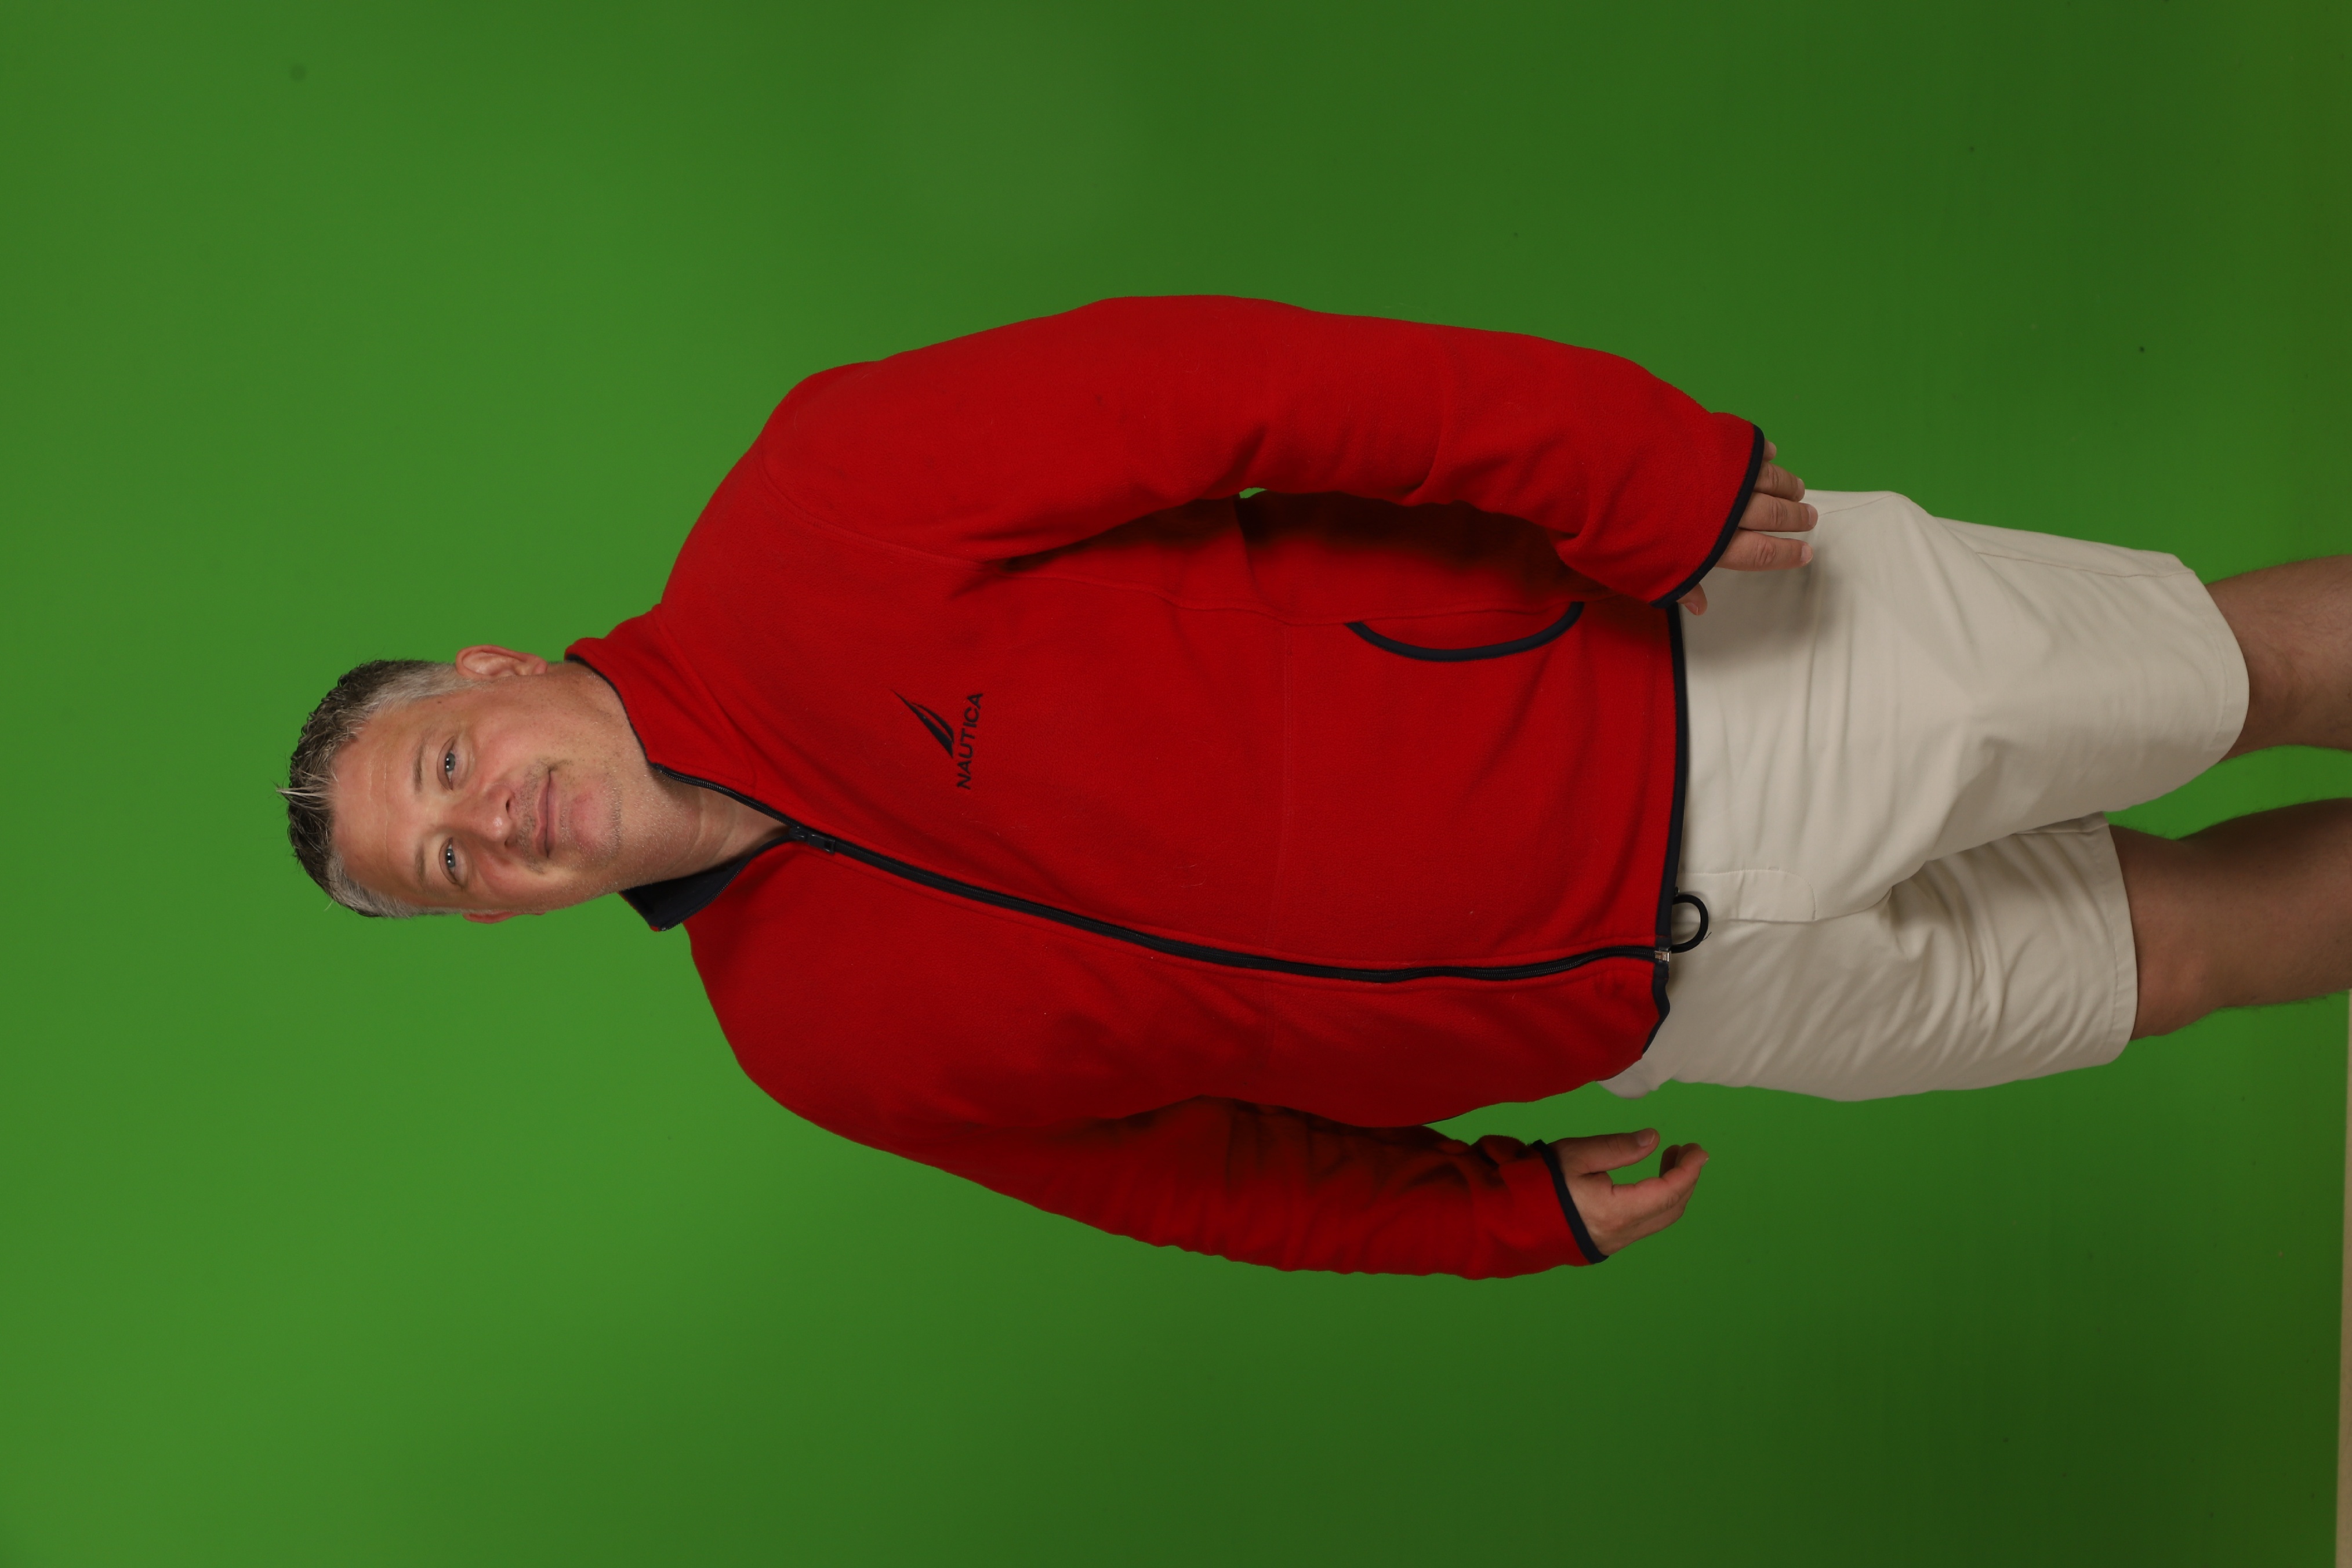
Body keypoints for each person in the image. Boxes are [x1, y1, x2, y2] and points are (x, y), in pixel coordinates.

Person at [282, 296, 2352, 1278]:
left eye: (451, 769)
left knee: (2223, 675)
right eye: (449, 866)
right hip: (1676, 999)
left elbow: (1260, 385)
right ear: (493, 914)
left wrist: (1638, 471)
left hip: (1701, 686)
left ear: (497, 673)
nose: (494, 826)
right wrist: (1489, 1212)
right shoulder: (801, 1042)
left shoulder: (815, 508)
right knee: (2164, 962)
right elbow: (1186, 1176)